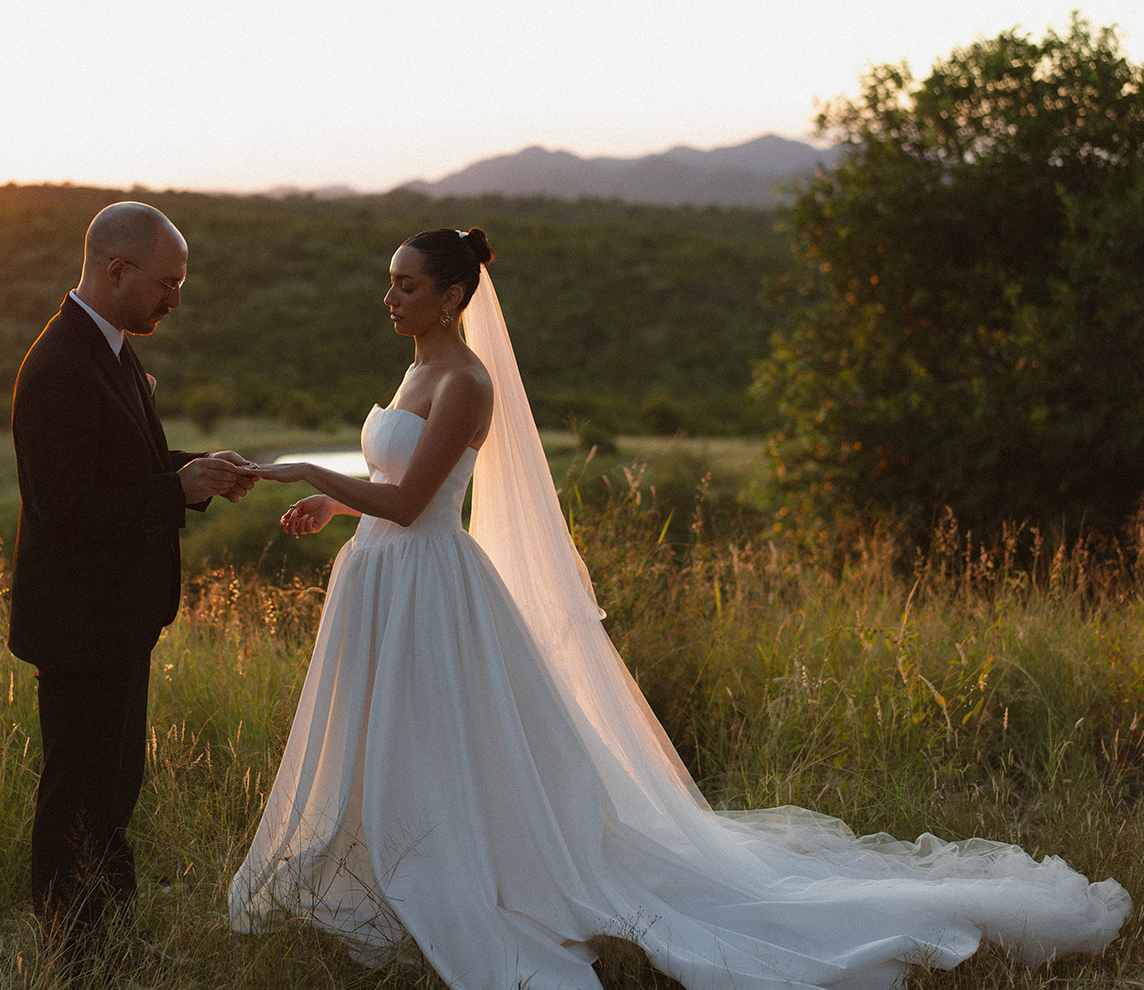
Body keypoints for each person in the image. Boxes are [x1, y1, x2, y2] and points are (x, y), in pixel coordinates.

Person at [227, 227, 1130, 990]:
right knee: (386, 735)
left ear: (455, 295)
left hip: (429, 584)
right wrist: (340, 503)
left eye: (408, 284)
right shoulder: (417, 369)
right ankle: (376, 871)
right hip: (383, 577)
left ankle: (454, 870)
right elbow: (396, 480)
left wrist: (304, 470)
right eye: (390, 282)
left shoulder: (466, 381)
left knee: (436, 741)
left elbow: (422, 502)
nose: (390, 296)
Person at [9, 201, 257, 971]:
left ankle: (110, 939)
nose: (174, 299)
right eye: (167, 283)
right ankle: (70, 955)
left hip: (119, 619)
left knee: (113, 792)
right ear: (116, 270)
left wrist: (199, 471)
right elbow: (71, 512)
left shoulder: (109, 347)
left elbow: (127, 462)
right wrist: (173, 491)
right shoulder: (57, 365)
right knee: (77, 796)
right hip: (80, 624)